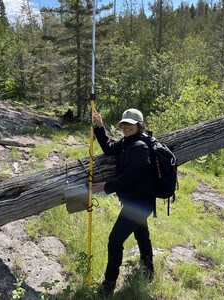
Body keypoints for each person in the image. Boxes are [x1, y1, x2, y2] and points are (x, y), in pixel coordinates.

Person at [92, 108, 155, 297]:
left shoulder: (140, 147)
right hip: (137, 201)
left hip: (139, 204)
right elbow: (110, 148)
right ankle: (148, 271)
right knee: (142, 234)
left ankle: (108, 284)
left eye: (130, 123)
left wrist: (107, 186)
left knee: (115, 240)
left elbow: (130, 177)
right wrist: (100, 126)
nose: (126, 126)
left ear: (139, 125)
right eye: (124, 123)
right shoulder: (129, 142)